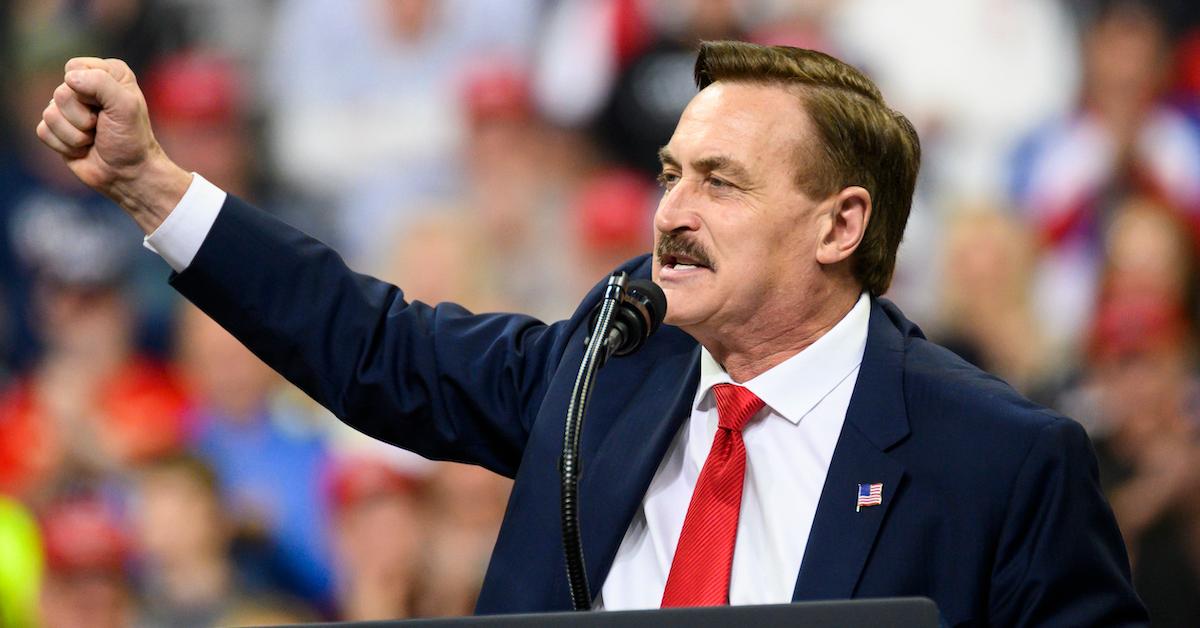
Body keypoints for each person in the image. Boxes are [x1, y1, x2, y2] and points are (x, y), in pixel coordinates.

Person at [35, 42, 1146, 625]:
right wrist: (152, 185)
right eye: (669, 174)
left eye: (720, 180)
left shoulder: (1002, 462)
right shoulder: (610, 360)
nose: (672, 211)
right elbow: (376, 346)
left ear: (839, 222)